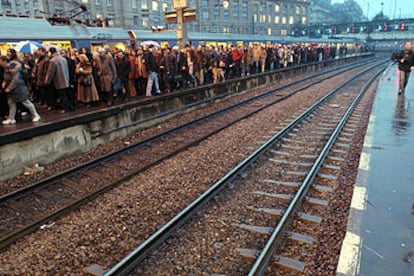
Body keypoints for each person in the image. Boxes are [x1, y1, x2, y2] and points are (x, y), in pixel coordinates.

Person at [0, 54, 41, 125]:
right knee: (11, 103)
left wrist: (9, 88)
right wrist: (4, 82)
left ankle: (35, 115)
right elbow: (7, 77)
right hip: (13, 89)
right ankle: (11, 118)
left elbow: (15, 79)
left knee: (26, 102)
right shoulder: (6, 68)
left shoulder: (14, 67)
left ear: (4, 61)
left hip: (19, 88)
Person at [45, 47, 73, 113]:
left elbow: (50, 72)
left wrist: (47, 81)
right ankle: (69, 107)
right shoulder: (63, 59)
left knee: (62, 95)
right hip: (66, 79)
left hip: (59, 80)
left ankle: (65, 108)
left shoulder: (53, 61)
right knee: (65, 94)